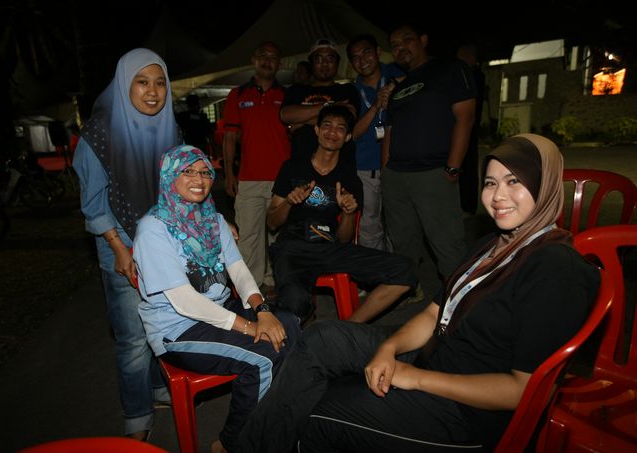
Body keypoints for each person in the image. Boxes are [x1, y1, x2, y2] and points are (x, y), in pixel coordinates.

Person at [237, 133, 601, 452]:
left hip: (466, 415)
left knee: (319, 410)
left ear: (545, 185)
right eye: (490, 183)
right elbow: (433, 312)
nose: (498, 196)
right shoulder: (495, 243)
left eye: (514, 181)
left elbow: (522, 390)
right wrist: (390, 348)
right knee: (322, 337)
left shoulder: (556, 269)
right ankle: (249, 445)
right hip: (436, 356)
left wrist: (413, 377)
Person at [132, 145, 300, 453]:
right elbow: (184, 301)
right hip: (178, 329)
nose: (199, 180)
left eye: (205, 172)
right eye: (188, 171)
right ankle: (233, 443)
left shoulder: (213, 219)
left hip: (219, 310)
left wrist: (262, 310)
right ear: (169, 176)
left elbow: (237, 268)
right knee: (263, 357)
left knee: (289, 323)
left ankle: (276, 416)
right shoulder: (153, 229)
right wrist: (250, 327)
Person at [72, 48, 178, 441]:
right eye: (142, 81)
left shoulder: (168, 128)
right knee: (133, 338)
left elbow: (180, 186)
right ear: (123, 84)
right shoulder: (99, 133)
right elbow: (94, 201)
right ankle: (136, 416)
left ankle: (157, 388)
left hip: (162, 244)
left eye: (160, 83)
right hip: (123, 243)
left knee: (161, 326)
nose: (152, 91)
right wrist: (119, 249)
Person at [266, 105, 416, 324]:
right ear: (317, 130)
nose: (332, 132)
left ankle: (349, 326)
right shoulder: (292, 167)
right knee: (295, 304)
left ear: (347, 137)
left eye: (340, 128)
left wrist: (348, 212)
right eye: (327, 125)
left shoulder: (350, 180)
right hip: (293, 247)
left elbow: (344, 238)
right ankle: (300, 309)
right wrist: (289, 202)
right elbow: (271, 223)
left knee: (405, 271)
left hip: (330, 247)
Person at [382, 23, 477, 288]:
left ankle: (458, 299)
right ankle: (407, 290)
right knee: (403, 244)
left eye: (407, 40)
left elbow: (465, 118)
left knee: (447, 244)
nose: (401, 48)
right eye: (395, 46)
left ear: (423, 40)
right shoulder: (399, 86)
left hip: (433, 172)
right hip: (396, 176)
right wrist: (386, 171)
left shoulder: (450, 69)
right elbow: (390, 130)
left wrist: (453, 167)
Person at [222, 41, 291, 301]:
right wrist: (229, 173)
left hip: (281, 180)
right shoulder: (237, 94)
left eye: (273, 57)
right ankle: (251, 290)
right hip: (248, 178)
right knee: (249, 236)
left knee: (278, 236)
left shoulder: (287, 95)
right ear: (254, 60)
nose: (267, 60)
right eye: (263, 55)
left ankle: (275, 282)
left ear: (279, 64)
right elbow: (229, 137)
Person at [346, 34, 404, 252]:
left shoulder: (396, 71)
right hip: (364, 169)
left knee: (399, 224)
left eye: (366, 52)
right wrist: (376, 106)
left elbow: (420, 75)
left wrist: (393, 84)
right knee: (369, 225)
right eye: (355, 57)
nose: (362, 60)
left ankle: (397, 270)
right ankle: (373, 270)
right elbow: (353, 133)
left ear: (378, 52)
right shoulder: (352, 91)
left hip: (398, 165)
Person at [280, 38, 360, 164]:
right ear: (311, 63)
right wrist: (332, 107)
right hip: (301, 164)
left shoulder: (347, 89)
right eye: (319, 59)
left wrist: (302, 120)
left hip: (339, 166)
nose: (325, 64)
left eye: (330, 59)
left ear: (337, 63)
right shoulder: (296, 90)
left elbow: (349, 118)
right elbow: (286, 115)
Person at [457, 43, 487, 216]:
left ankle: (468, 206)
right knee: (465, 166)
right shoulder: (472, 75)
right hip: (468, 127)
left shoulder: (473, 76)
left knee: (467, 167)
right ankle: (466, 205)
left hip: (468, 128)